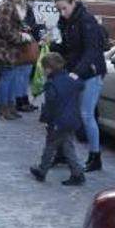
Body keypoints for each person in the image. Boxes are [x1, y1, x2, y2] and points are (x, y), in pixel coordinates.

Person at [51, 0, 107, 172]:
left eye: (64, 8)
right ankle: (62, 154)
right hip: (74, 71)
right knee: (65, 113)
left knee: (86, 114)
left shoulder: (86, 20)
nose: (62, 13)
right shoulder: (66, 22)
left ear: (73, 3)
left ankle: (95, 157)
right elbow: (69, 48)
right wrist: (53, 45)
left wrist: (77, 73)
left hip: (90, 73)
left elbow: (92, 51)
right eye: (59, 10)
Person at [28, 52, 86, 186]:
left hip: (58, 122)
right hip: (73, 120)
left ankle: (42, 170)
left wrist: (46, 120)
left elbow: (50, 107)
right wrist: (74, 76)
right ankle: (77, 173)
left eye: (43, 69)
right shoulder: (71, 80)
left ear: (48, 69)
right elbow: (81, 84)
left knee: (50, 146)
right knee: (68, 146)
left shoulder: (51, 85)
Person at [0, 0, 34, 121]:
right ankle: (3, 108)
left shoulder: (11, 5)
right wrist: (21, 37)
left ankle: (9, 107)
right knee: (7, 78)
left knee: (10, 78)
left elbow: (9, 25)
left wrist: (23, 29)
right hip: (4, 49)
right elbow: (4, 28)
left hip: (9, 49)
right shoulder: (8, 5)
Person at [15, 0, 45, 113]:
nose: (34, 1)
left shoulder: (27, 8)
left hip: (28, 44)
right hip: (23, 45)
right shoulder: (18, 9)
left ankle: (23, 100)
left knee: (25, 74)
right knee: (21, 75)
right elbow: (24, 25)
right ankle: (20, 101)